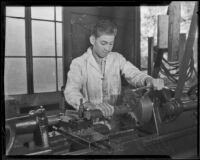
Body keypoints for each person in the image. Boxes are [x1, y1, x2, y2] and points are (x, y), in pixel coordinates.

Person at [64, 19, 164, 119]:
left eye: (111, 43)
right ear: (92, 40)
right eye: (103, 43)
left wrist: (148, 80)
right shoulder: (79, 63)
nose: (108, 48)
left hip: (115, 120)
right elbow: (70, 91)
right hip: (90, 121)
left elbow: (133, 73)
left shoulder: (117, 58)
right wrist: (88, 105)